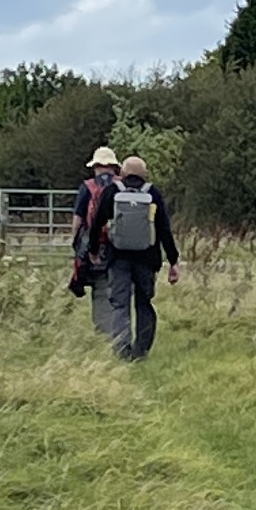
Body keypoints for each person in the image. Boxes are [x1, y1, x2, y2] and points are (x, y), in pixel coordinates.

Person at [89, 153, 179, 361]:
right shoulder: (153, 193)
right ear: (144, 175)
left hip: (117, 257)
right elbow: (164, 229)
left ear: (122, 172)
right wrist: (173, 261)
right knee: (144, 303)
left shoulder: (112, 191)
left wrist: (93, 250)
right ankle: (141, 351)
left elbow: (97, 223)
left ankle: (122, 350)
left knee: (119, 304)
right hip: (147, 259)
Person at [63, 144, 121, 301]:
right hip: (121, 243)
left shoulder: (87, 187)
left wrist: (77, 243)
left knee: (99, 283)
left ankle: (101, 314)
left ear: (95, 167)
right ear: (114, 167)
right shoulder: (123, 186)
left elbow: (78, 219)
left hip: (95, 243)